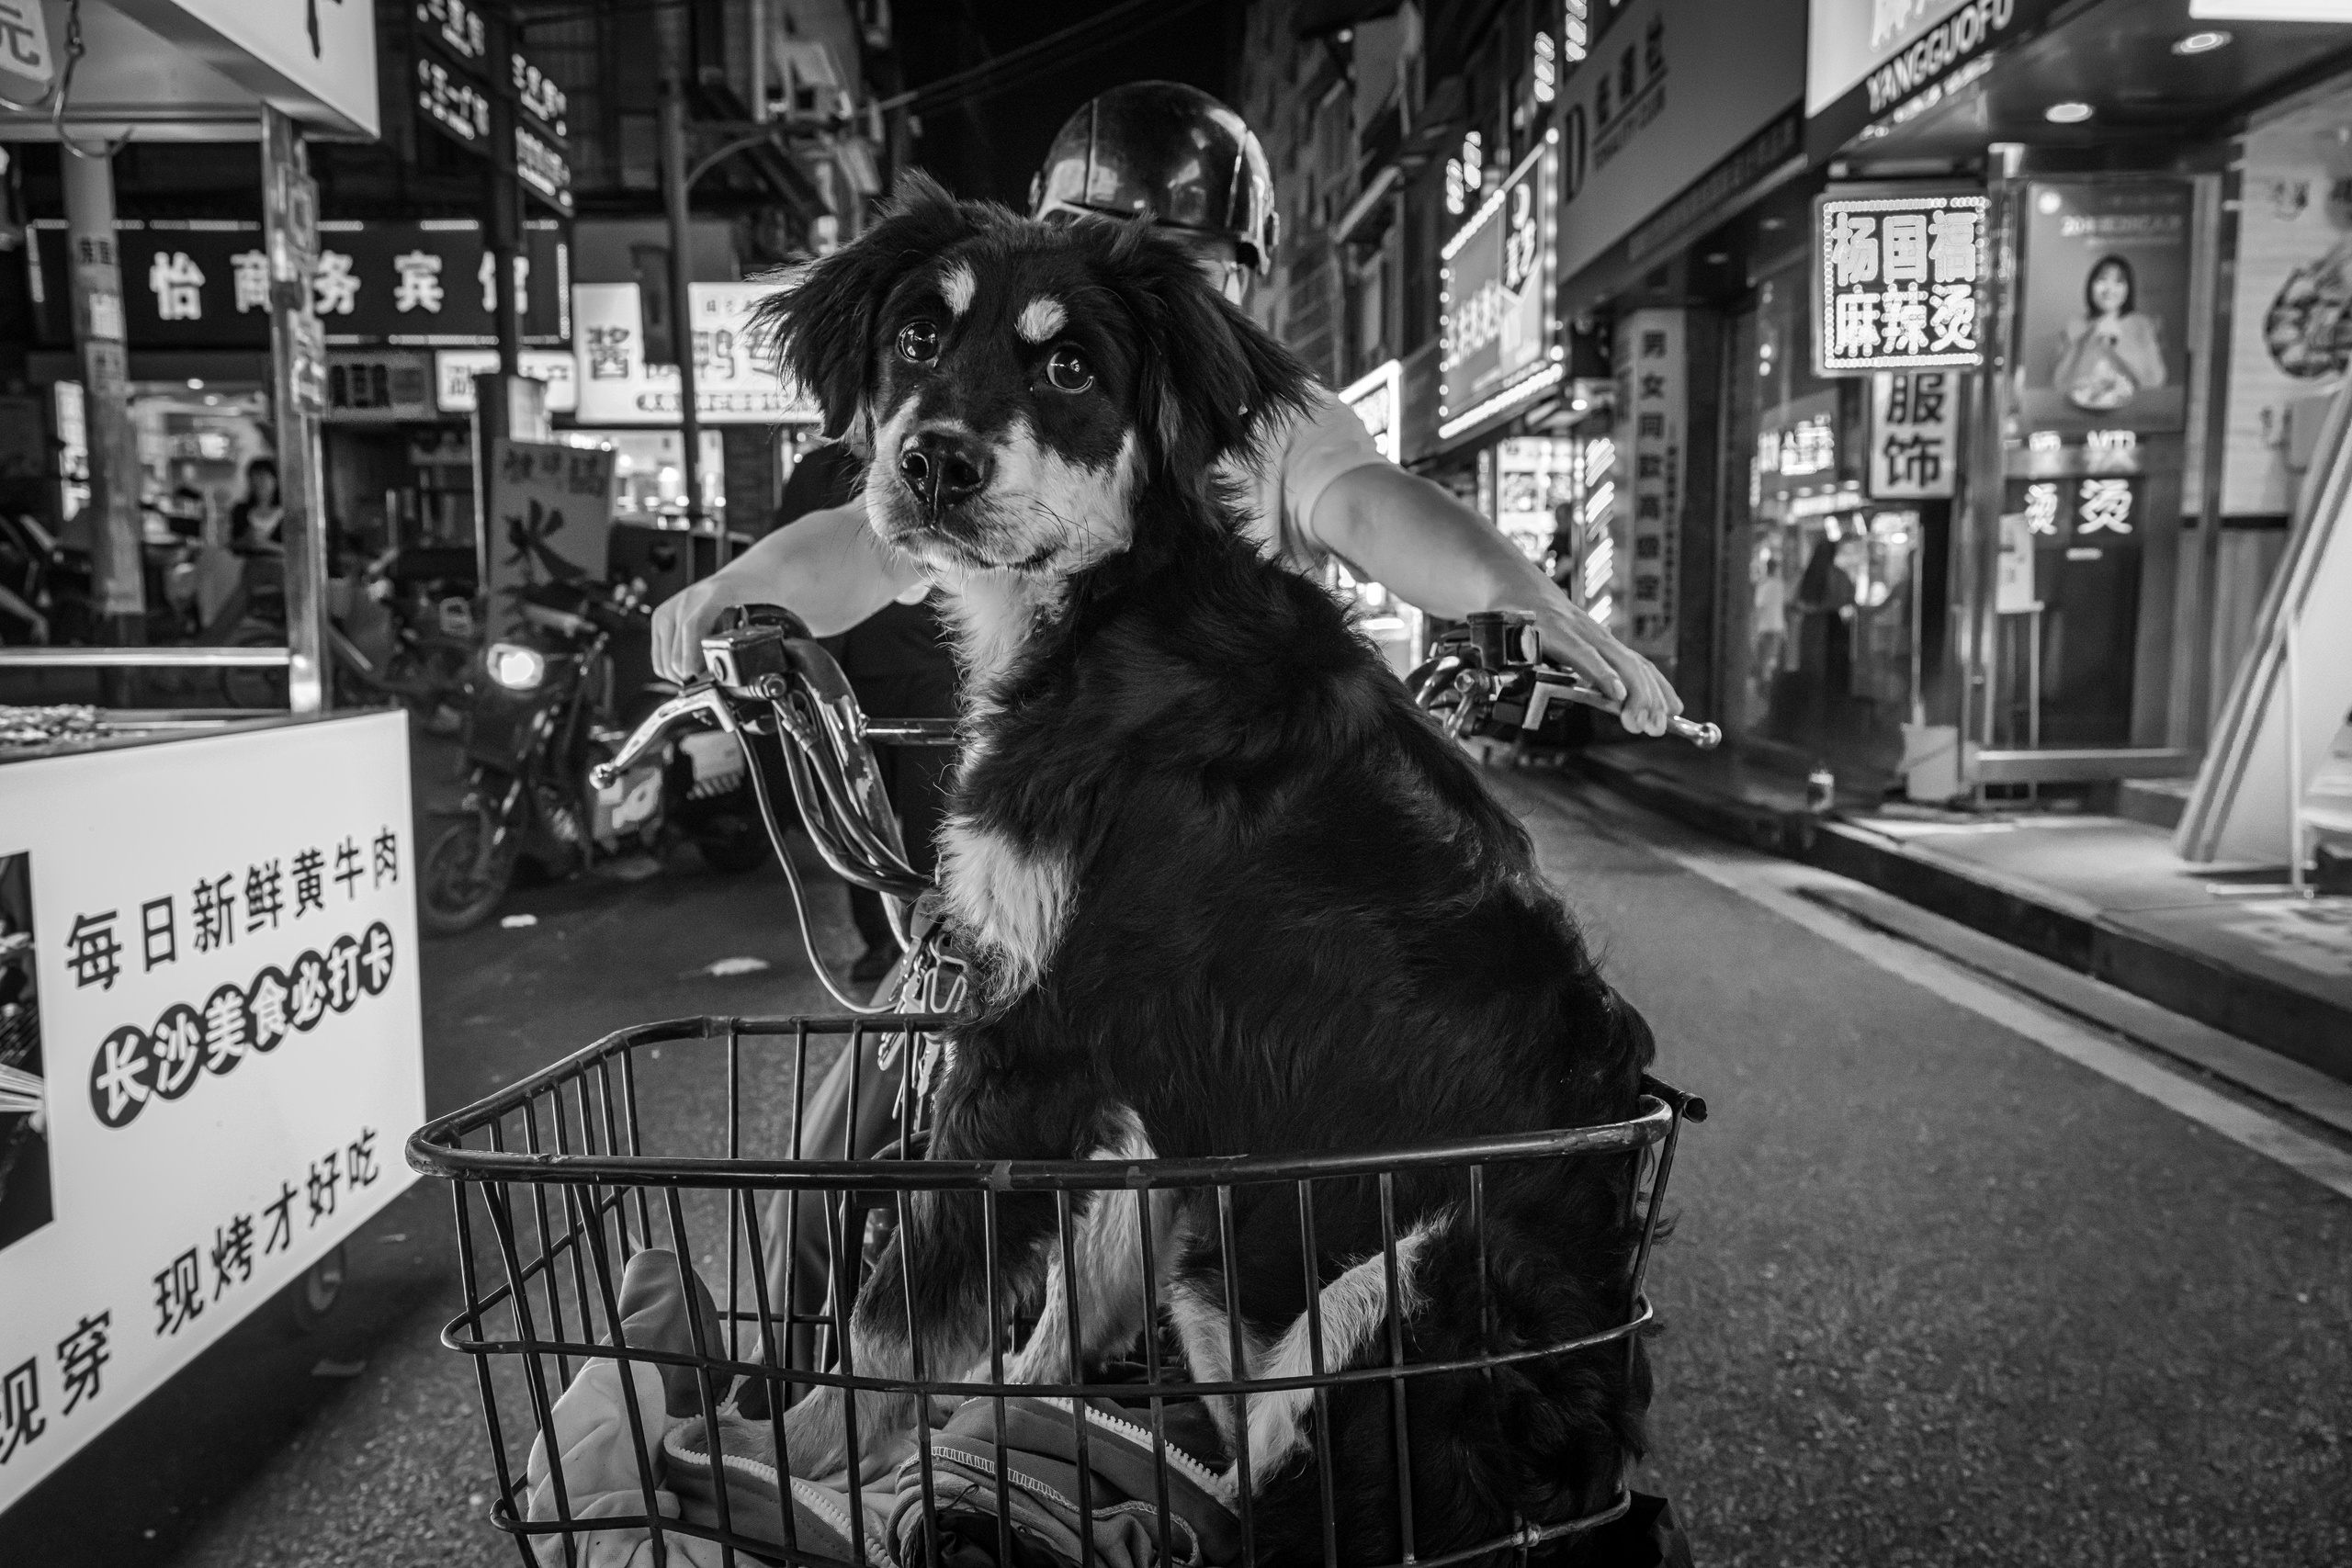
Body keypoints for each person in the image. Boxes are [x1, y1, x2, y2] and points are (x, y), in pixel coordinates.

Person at [652, 82, 1679, 737]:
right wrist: (740, 593)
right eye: (1089, 241)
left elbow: (1366, 504)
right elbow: (864, 547)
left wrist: (1515, 595)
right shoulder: (975, 412)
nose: (1141, 283)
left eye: (1187, 265)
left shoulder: (1263, 412)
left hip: (1223, 825)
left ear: (1240, 284)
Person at [2052, 254, 2165, 413]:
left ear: (2128, 288)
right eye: (2102, 280)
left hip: (2133, 417)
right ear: (2091, 285)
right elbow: (2060, 384)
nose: (2109, 289)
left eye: (2118, 282)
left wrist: (2118, 343)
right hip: (2080, 418)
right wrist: (2090, 339)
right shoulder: (2074, 325)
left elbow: (2154, 381)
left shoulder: (2142, 325)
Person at [229, 458, 286, 554]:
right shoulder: (240, 510)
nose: (258, 483)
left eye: (262, 478)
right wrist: (246, 540)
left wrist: (266, 544)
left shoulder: (288, 513)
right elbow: (229, 545)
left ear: (275, 480)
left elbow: (295, 550)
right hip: (247, 567)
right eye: (253, 478)